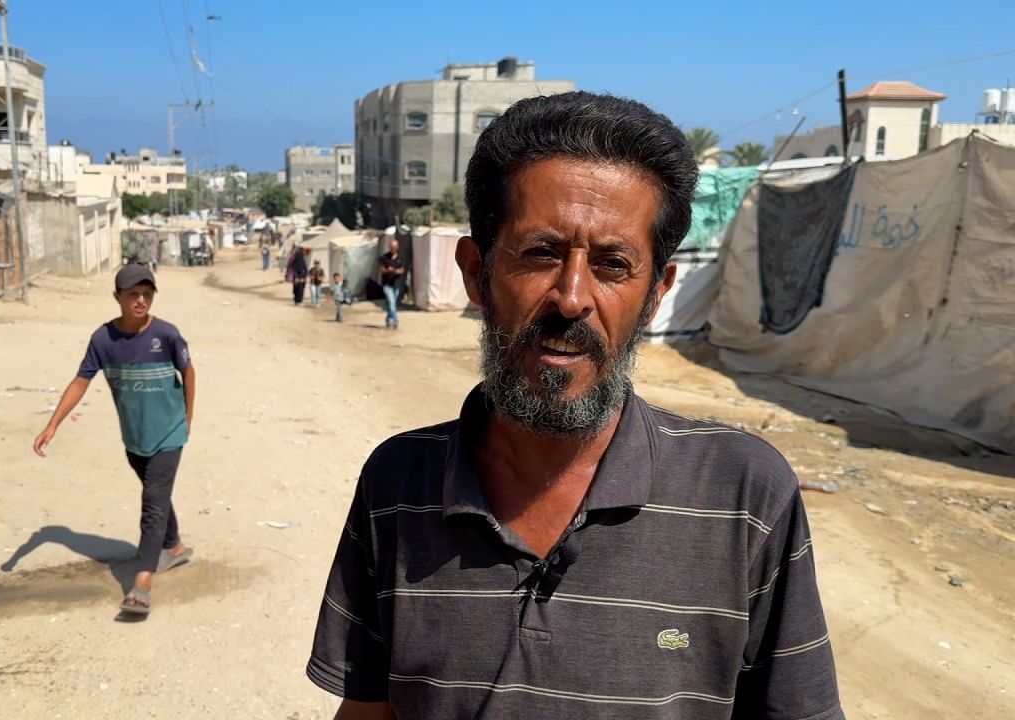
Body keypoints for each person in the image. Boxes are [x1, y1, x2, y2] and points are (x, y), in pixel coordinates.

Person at [307, 92, 844, 719]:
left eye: (613, 265)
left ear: (654, 297)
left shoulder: (744, 493)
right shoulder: (398, 482)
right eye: (541, 254)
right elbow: (371, 710)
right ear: (476, 273)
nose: (571, 297)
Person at [33, 264, 196, 617]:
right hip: (134, 437)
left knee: (152, 502)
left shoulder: (167, 335)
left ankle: (141, 585)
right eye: (133, 295)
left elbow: (188, 371)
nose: (141, 300)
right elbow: (81, 381)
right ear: (117, 297)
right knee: (157, 494)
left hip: (169, 434)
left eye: (147, 294)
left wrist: (188, 416)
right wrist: (53, 424)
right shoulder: (103, 340)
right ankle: (175, 546)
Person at [377, 239, 405, 329]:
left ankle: (389, 319)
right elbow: (381, 269)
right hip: (387, 284)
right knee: (392, 302)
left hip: (396, 284)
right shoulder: (384, 258)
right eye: (392, 247)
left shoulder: (401, 258)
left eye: (395, 247)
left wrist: (394, 271)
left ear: (397, 248)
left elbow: (402, 270)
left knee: (392, 304)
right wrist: (387, 270)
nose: (393, 249)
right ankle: (395, 320)